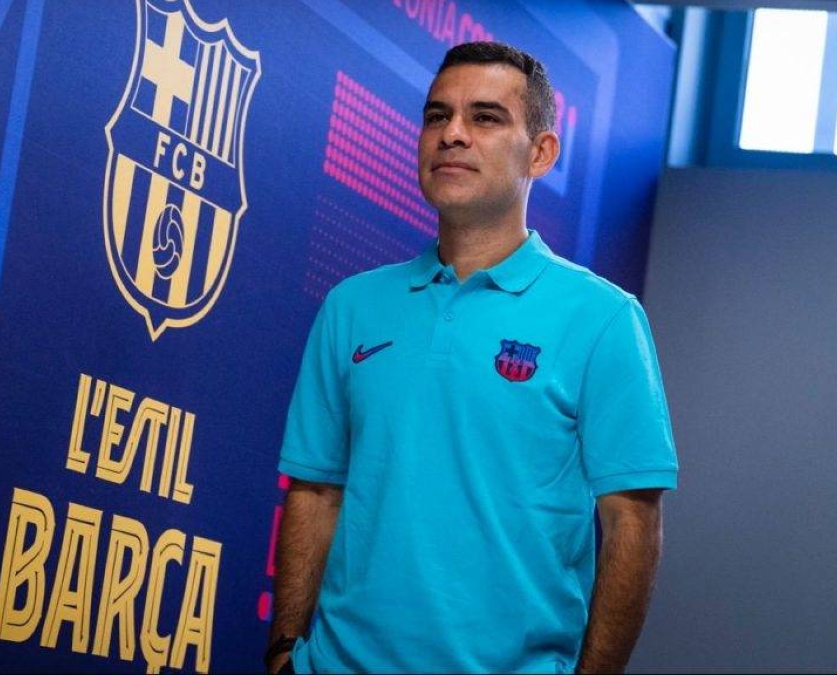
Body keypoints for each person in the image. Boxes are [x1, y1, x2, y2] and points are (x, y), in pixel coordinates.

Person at [266, 41, 678, 674]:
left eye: (485, 117)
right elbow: (316, 492)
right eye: (437, 116)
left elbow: (631, 524)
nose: (452, 134)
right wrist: (284, 651)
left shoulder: (604, 318)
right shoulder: (352, 306)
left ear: (540, 153)